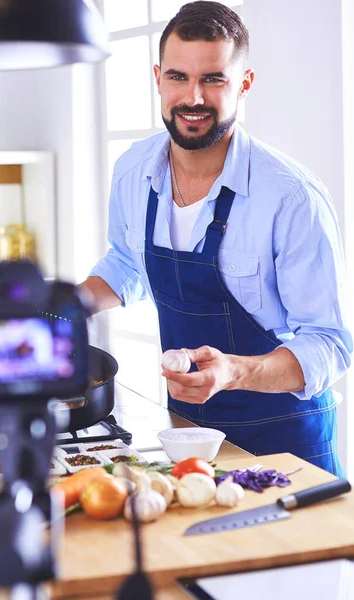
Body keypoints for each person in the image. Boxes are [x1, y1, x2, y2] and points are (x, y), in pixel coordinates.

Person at [81, 1, 352, 476]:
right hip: (190, 438)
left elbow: (330, 343)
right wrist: (63, 303)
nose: (193, 98)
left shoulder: (291, 197)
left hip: (286, 445)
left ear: (244, 84)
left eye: (213, 79)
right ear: (157, 78)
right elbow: (128, 263)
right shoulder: (133, 171)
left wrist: (232, 372)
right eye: (178, 77)